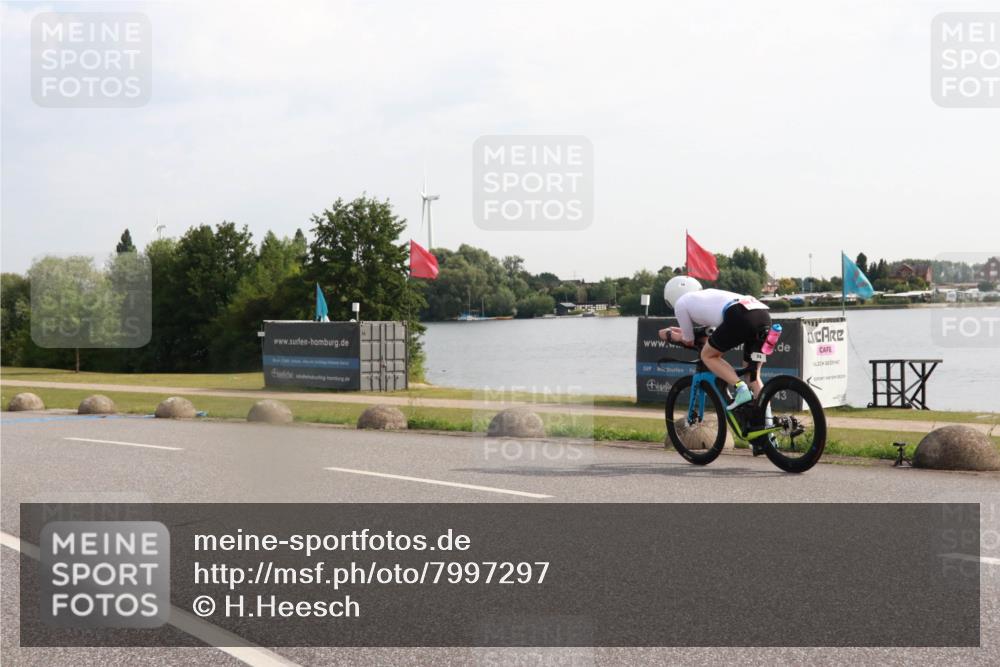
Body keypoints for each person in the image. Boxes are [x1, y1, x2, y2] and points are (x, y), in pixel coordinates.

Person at [657, 276, 772, 409]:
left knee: (708, 355)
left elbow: (688, 341)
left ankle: (741, 389)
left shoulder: (681, 303)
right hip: (762, 315)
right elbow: (710, 333)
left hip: (739, 315)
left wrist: (671, 335)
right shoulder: (708, 295)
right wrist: (684, 332)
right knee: (753, 377)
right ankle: (768, 425)